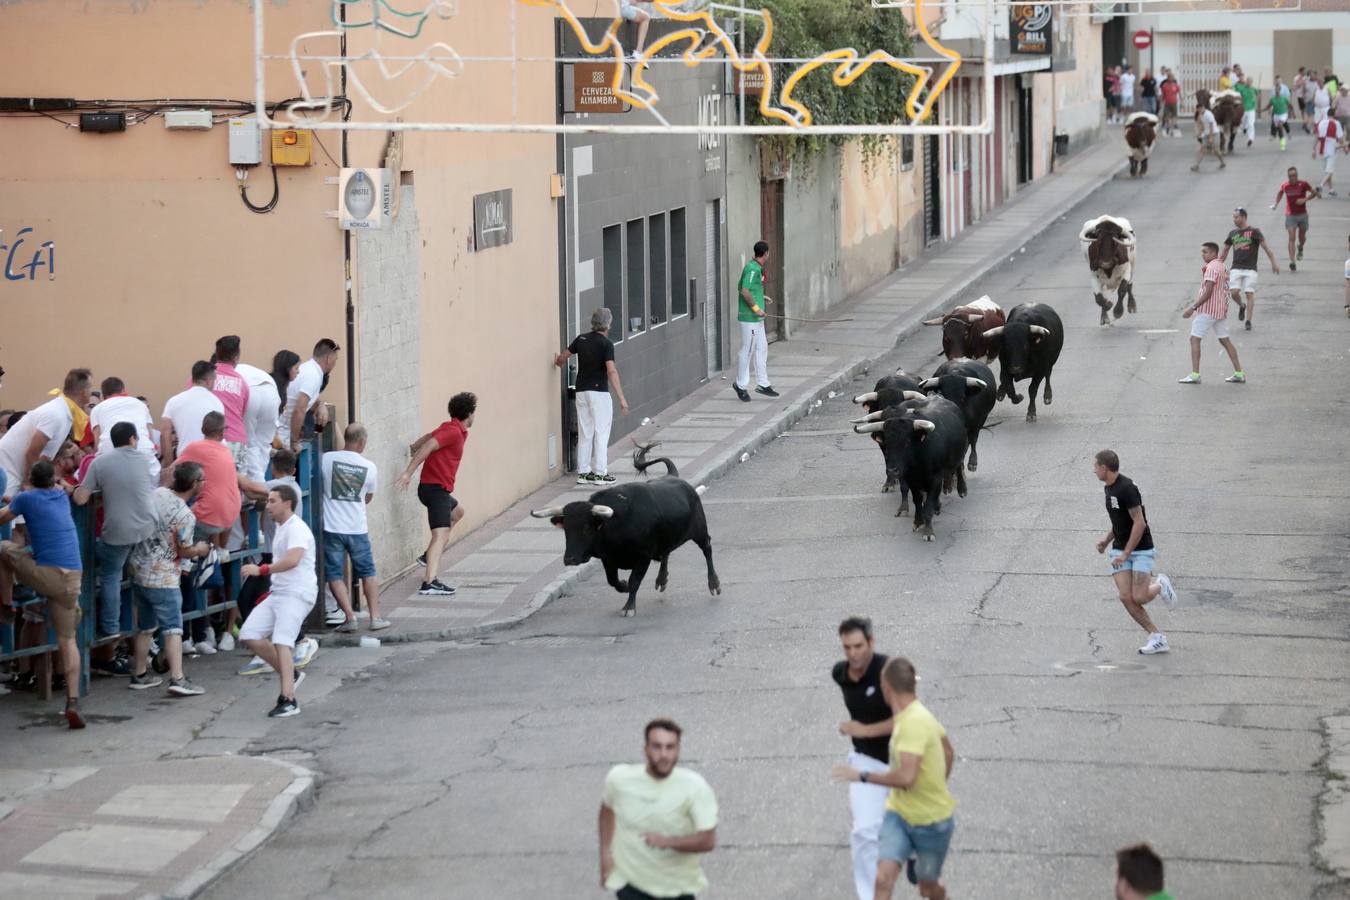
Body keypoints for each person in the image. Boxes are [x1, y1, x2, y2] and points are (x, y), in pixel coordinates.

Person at [832, 657, 955, 900]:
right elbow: (948, 750)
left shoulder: (913, 724)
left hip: (931, 823)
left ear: (887, 688)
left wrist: (862, 776)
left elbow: (906, 777)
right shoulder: (913, 714)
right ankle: (910, 858)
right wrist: (939, 782)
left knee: (929, 889)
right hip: (899, 815)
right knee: (882, 879)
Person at [0, 460, 86, 728]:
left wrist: (11, 500)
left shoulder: (26, 499)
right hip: (73, 578)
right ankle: (72, 701)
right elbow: (48, 490)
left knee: (3, 547)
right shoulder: (60, 495)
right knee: (67, 640)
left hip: (47, 574)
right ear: (53, 479)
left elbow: (3, 517)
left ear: (30, 479)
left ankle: (5, 604)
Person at [174, 412, 268, 651]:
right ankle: (203, 631)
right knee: (205, 570)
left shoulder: (195, 447)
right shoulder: (226, 452)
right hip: (227, 518)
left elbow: (174, 472)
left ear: (202, 428)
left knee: (183, 570)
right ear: (223, 431)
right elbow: (246, 485)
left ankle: (186, 636)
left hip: (205, 518)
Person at [598, 718, 718, 899]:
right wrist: (606, 853)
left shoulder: (695, 787)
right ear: (645, 749)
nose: (664, 754)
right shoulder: (620, 780)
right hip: (632, 884)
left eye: (670, 747)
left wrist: (667, 842)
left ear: (678, 750)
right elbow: (607, 810)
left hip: (677, 887)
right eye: (657, 746)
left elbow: (708, 841)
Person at [126, 460, 211, 696]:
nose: (204, 484)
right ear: (194, 484)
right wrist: (200, 550)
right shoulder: (186, 515)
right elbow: (184, 550)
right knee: (173, 628)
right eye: (202, 480)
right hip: (163, 577)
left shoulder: (158, 494)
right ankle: (177, 677)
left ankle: (140, 673)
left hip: (139, 567)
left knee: (145, 627)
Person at [235, 449, 319, 677]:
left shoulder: (283, 487)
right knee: (251, 599)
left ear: (273, 466)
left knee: (252, 599)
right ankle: (272, 649)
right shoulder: (290, 486)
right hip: (272, 553)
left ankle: (297, 643)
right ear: (294, 469)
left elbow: (252, 489)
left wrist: (230, 468)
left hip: (277, 557)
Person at [72, 422, 157, 642]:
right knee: (141, 576)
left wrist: (71, 488)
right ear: (132, 439)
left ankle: (111, 628)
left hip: (118, 531)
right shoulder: (143, 459)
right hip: (147, 527)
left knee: (110, 575)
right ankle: (149, 626)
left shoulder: (100, 462)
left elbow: (81, 498)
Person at [239, 485, 315, 718]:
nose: (268, 505)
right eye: (268, 501)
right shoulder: (280, 528)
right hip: (279, 593)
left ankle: (289, 700)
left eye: (273, 501)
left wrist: (261, 570)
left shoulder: (296, 529)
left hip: (297, 593)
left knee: (283, 642)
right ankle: (290, 674)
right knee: (249, 634)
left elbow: (293, 560)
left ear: (287, 503)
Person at [1093, 450, 1178, 655]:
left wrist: (1126, 552)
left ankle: (1160, 585)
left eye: (1095, 466)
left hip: (1140, 550)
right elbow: (1120, 522)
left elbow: (1139, 523)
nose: (1093, 470)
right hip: (1120, 549)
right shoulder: (1109, 489)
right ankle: (1156, 637)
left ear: (1104, 468)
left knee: (1139, 597)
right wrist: (1106, 541)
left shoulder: (1127, 489)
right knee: (1126, 597)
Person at [832, 617, 894, 900]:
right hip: (865, 760)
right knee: (865, 833)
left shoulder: (887, 671)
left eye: (858, 646)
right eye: (847, 648)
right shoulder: (841, 674)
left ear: (871, 642)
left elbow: (908, 719)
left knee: (915, 831)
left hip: (901, 761)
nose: (853, 653)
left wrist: (864, 729)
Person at [396, 392, 476, 596]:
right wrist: (408, 472)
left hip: (432, 489)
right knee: (439, 535)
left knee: (457, 513)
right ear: (469, 414)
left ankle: (427, 556)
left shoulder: (450, 427)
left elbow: (427, 438)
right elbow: (429, 446)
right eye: (474, 413)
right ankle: (429, 582)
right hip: (435, 489)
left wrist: (413, 446)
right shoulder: (453, 432)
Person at [321, 423, 388, 632]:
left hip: (331, 527)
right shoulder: (369, 467)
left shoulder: (326, 459)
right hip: (357, 528)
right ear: (361, 442)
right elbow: (367, 498)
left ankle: (349, 617)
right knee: (367, 571)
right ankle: (375, 618)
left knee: (334, 574)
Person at [554, 308, 629, 486]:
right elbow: (611, 370)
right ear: (608, 323)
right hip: (599, 393)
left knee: (585, 432)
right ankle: (600, 473)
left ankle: (583, 472)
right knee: (601, 433)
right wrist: (622, 398)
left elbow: (563, 357)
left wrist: (558, 361)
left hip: (581, 391)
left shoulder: (581, 339)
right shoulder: (606, 344)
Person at [0, 368, 88, 501]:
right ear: (84, 392)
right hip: (10, 472)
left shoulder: (63, 411)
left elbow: (45, 453)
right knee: (10, 517)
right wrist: (30, 483)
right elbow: (33, 450)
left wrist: (55, 481)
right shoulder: (56, 413)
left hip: (17, 472)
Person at [1180, 242, 1245, 384]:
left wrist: (1193, 307)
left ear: (1214, 253)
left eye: (1205, 252)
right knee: (1225, 340)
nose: (1203, 254)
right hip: (1220, 310)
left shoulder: (1211, 268)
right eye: (1202, 252)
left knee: (1194, 339)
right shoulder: (1221, 265)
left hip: (1208, 310)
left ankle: (1195, 375)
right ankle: (1239, 373)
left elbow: (1208, 291)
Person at [1220, 207, 1280, 331]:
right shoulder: (1233, 233)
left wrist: (1274, 262)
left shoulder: (1254, 232)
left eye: (1236, 217)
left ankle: (1248, 321)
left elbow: (1266, 248)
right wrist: (1217, 266)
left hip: (1250, 268)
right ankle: (1242, 306)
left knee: (1249, 292)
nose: (1234, 219)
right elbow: (1225, 251)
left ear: (1243, 217)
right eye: (1233, 217)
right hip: (1236, 267)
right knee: (1234, 292)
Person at [733, 241, 778, 402]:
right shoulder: (752, 269)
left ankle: (763, 383)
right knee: (748, 350)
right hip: (750, 318)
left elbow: (746, 288)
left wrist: (761, 297)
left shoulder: (754, 267)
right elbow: (744, 290)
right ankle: (741, 385)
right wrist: (756, 308)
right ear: (765, 253)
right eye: (768, 253)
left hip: (756, 318)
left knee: (762, 347)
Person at [160, 361, 223, 475]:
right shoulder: (217, 403)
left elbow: (165, 434)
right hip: (211, 460)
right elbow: (219, 435)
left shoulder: (174, 401)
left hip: (184, 462)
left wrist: (169, 465)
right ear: (209, 381)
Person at [89, 377, 159, 480]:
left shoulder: (97, 409)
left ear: (103, 396)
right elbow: (150, 437)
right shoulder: (140, 404)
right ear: (123, 390)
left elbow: (97, 442)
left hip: (109, 455)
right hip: (144, 453)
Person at [279, 339, 339, 453]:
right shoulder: (314, 376)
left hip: (280, 427)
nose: (335, 363)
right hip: (282, 429)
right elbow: (299, 409)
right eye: (335, 359)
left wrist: (320, 404)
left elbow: (305, 399)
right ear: (329, 359)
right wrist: (295, 441)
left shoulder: (308, 368)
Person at [208, 335, 251, 471]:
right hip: (235, 438)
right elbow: (241, 413)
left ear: (216, 354)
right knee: (236, 485)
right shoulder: (242, 383)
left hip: (208, 437)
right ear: (236, 358)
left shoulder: (201, 377)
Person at [1271, 166, 1320, 270]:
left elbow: (1315, 193)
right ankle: (1292, 261)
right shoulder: (1285, 185)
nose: (1292, 177)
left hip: (1302, 215)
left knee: (1302, 238)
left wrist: (1305, 199)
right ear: (1288, 176)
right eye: (1290, 176)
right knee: (1291, 237)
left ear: (1297, 175)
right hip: (1290, 215)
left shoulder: (1303, 184)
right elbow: (1280, 193)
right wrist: (1275, 204)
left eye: (1294, 175)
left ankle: (1301, 247)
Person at [1313, 113, 1343, 197]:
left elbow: (1316, 137)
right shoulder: (1336, 123)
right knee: (1330, 172)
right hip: (1332, 150)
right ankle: (1320, 186)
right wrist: (1345, 146)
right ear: (1335, 114)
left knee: (1327, 171)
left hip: (1323, 150)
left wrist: (1313, 149)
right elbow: (1340, 139)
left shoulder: (1321, 123)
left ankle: (1331, 189)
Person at [1190, 101, 1226, 172]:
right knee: (1202, 149)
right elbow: (1202, 125)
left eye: (1201, 108)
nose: (1201, 110)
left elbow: (1211, 126)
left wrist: (1211, 137)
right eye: (1199, 109)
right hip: (1206, 134)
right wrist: (1199, 133)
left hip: (1214, 133)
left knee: (1216, 150)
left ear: (1203, 108)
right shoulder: (1200, 115)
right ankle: (1196, 165)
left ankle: (1222, 162)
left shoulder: (1208, 114)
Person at [1265, 84, 1291, 150]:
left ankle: (1283, 144)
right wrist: (1260, 110)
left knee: (1280, 125)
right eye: (1276, 90)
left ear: (1280, 90)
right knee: (1279, 129)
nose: (1277, 91)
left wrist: (1292, 113)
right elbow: (1268, 106)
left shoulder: (1284, 98)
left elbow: (1290, 105)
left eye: (1278, 90)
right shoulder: (1273, 99)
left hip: (1283, 114)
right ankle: (1280, 138)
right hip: (1276, 115)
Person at [1235, 76, 1257, 146]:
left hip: (1251, 109)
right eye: (1248, 81)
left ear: (1252, 82)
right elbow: (1235, 90)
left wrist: (1255, 101)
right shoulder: (1242, 89)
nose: (1249, 83)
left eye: (1250, 81)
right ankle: (1244, 128)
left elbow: (1257, 94)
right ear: (1246, 82)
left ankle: (1250, 138)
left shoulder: (1254, 89)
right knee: (1243, 122)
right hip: (1243, 109)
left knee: (1251, 124)